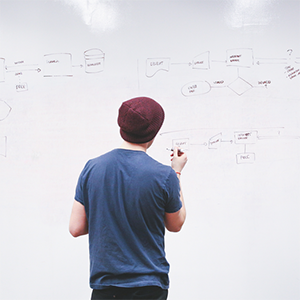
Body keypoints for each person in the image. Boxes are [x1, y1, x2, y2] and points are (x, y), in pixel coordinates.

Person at [69, 96, 187, 300]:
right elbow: (175, 224)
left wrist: (109, 216)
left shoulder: (92, 168)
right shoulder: (163, 175)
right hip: (149, 287)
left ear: (121, 126)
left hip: (106, 288)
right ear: (154, 132)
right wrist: (176, 172)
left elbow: (76, 227)